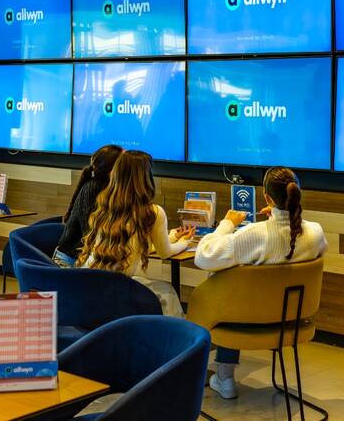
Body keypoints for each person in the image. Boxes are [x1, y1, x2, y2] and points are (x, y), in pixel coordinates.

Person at [195, 167, 328, 400]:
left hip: (244, 323)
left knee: (229, 291)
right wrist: (277, 218)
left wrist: (227, 223)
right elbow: (297, 243)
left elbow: (203, 256)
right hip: (292, 321)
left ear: (267, 198)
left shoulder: (254, 235)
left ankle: (225, 377)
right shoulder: (315, 233)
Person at [77, 150, 193, 316]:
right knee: (168, 293)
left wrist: (172, 237)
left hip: (85, 284)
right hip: (114, 290)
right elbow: (165, 253)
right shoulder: (152, 212)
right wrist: (185, 243)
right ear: (146, 177)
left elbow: (133, 246)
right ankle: (178, 333)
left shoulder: (107, 206)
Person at [54, 144, 123, 265]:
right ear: (113, 169)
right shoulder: (92, 189)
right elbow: (90, 233)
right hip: (71, 261)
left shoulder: (111, 190)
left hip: (88, 257)